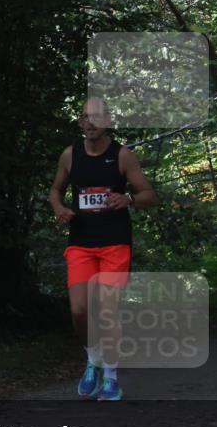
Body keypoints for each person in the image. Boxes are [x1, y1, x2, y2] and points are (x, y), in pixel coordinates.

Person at [49, 98, 156, 401]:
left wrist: (130, 200)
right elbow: (56, 189)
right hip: (81, 243)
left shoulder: (123, 156)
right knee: (79, 311)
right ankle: (92, 360)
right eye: (85, 117)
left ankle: (111, 377)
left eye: (97, 117)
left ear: (108, 121)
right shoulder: (70, 155)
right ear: (80, 122)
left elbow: (149, 194)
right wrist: (59, 208)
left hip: (114, 242)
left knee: (107, 312)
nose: (91, 122)